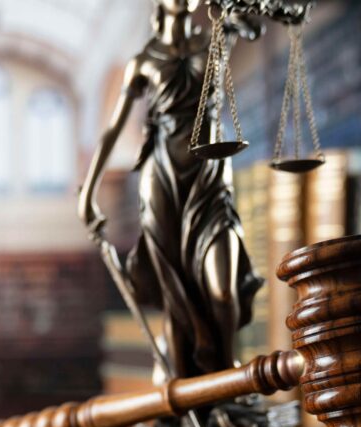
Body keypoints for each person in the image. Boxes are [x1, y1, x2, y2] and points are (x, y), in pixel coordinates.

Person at [78, 0, 263, 380]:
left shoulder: (215, 36)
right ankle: (187, 395)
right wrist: (88, 193)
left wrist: (238, 10)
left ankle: (224, 381)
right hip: (161, 178)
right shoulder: (143, 60)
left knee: (223, 290)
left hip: (209, 176)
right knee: (175, 297)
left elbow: (254, 27)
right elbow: (112, 130)